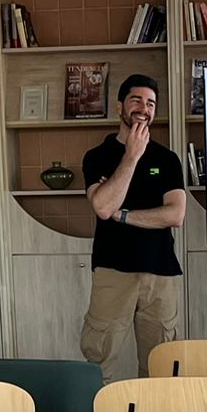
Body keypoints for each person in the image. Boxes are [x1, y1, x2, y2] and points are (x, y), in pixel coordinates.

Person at [80, 74, 186, 370]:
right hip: (113, 270)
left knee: (161, 366)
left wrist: (123, 214)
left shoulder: (167, 159)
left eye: (150, 103)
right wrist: (132, 155)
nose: (144, 108)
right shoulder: (97, 156)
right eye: (136, 100)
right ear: (119, 107)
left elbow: (175, 215)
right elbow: (103, 207)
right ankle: (98, 406)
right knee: (99, 360)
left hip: (160, 274)